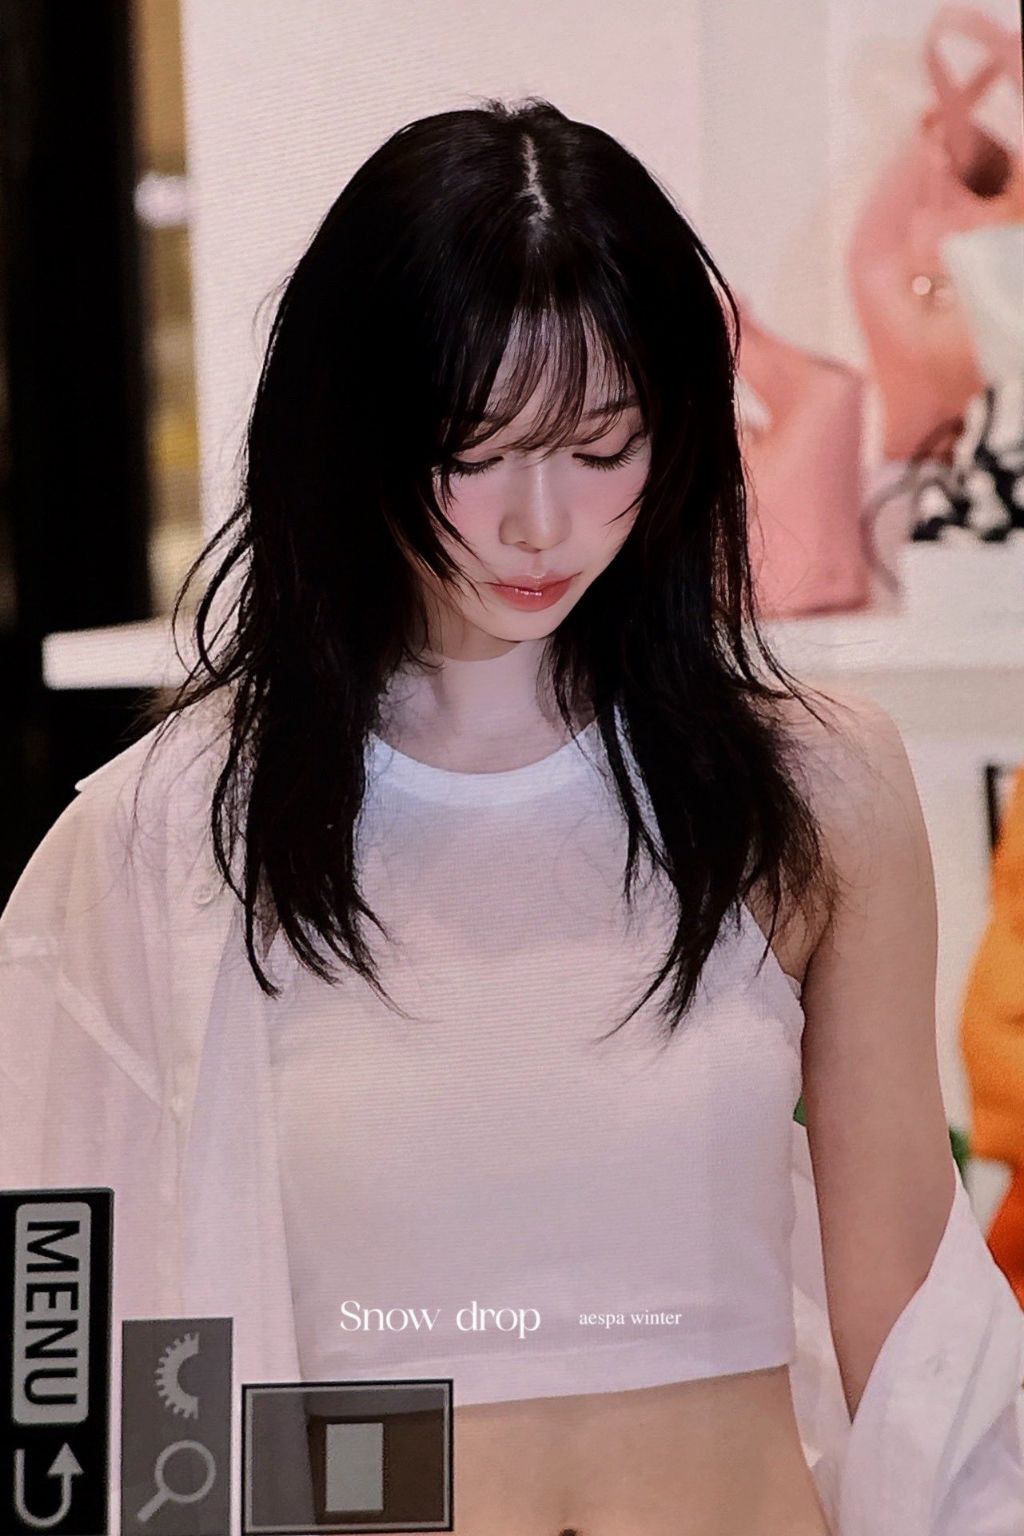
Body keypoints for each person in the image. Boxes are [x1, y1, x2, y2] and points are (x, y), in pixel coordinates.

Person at [3, 96, 1023, 1536]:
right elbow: (94, 1347)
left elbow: (919, 1333)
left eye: (603, 445)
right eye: (474, 452)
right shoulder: (171, 835)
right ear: (351, 432)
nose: (541, 523)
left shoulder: (810, 785)